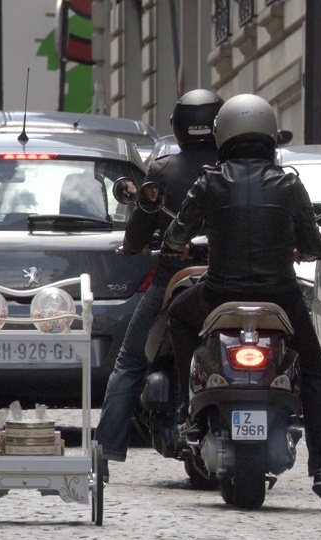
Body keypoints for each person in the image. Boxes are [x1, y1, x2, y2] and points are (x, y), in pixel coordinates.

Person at [163, 94, 321, 510]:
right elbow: (314, 244)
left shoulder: (211, 181)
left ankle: (185, 409)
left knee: (177, 314)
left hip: (218, 294)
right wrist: (297, 246)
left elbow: (178, 233)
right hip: (278, 297)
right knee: (315, 374)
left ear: (223, 134)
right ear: (268, 134)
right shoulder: (289, 183)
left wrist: (175, 243)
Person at [94, 88, 223, 463]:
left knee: (130, 362)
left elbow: (135, 236)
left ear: (178, 126)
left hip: (173, 280)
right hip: (231, 274)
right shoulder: (236, 170)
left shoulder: (164, 171)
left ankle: (106, 452)